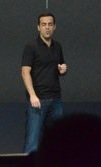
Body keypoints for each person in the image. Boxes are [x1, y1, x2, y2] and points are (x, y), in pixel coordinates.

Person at [21, 12, 67, 154]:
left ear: (54, 27)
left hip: (56, 100)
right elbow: (25, 72)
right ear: (38, 27)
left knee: (57, 140)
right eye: (44, 24)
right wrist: (32, 95)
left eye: (50, 24)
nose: (47, 27)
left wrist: (62, 70)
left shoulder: (57, 47)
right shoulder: (31, 47)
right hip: (38, 101)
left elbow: (59, 68)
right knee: (33, 143)